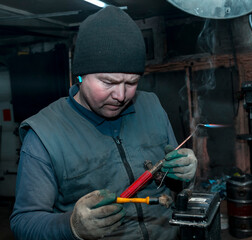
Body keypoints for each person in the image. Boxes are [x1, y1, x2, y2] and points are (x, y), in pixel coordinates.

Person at [10, 6, 197, 240]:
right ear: (80, 76)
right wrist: (71, 226)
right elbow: (23, 222)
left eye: (131, 82)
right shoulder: (44, 135)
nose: (121, 95)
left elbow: (175, 183)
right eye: (108, 82)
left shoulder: (151, 106)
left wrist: (184, 174)